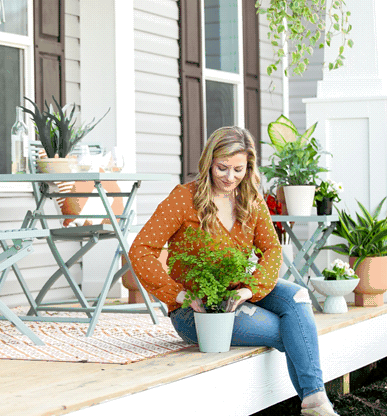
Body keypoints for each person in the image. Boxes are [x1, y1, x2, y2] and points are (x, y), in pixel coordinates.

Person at [128, 126, 339, 416]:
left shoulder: (250, 200)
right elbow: (141, 249)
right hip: (198, 313)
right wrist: (176, 294)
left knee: (298, 297)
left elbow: (272, 249)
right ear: (208, 163)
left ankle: (315, 402)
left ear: (248, 167)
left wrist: (250, 289)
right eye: (222, 168)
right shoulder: (183, 198)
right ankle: (314, 401)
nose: (230, 177)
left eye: (238, 169)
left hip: (240, 292)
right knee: (291, 330)